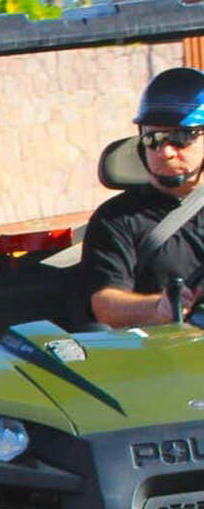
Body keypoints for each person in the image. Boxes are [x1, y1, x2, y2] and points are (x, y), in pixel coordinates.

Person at [82, 68, 204, 327]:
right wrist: (159, 308)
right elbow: (104, 303)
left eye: (181, 137)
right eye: (153, 138)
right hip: (171, 355)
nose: (166, 151)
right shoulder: (116, 219)